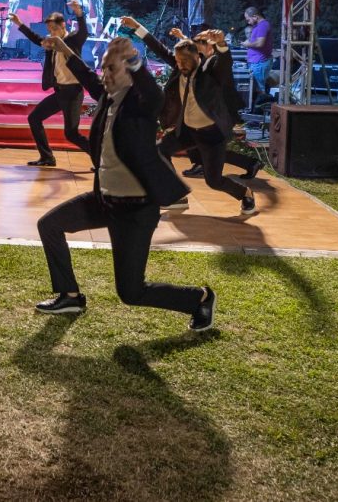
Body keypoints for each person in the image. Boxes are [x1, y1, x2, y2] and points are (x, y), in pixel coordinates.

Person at [32, 34, 217, 332]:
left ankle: (200, 299)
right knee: (49, 225)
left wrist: (133, 60)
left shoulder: (141, 104)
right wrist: (64, 48)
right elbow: (85, 74)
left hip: (135, 210)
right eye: (104, 68)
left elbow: (155, 96)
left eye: (111, 69)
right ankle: (70, 296)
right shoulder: (108, 97)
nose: (104, 74)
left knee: (132, 293)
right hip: (104, 200)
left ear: (129, 72)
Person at [122, 17, 256, 215]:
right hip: (187, 130)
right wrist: (137, 27)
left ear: (196, 56)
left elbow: (224, 63)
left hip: (212, 135)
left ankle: (245, 193)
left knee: (214, 181)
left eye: (184, 61)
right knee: (160, 151)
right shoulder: (180, 66)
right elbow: (159, 48)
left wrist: (221, 44)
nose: (180, 64)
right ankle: (176, 195)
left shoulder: (209, 71)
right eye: (177, 61)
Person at [169, 26, 262, 181]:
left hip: (221, 111)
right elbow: (190, 52)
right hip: (210, 112)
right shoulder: (203, 60)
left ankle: (248, 163)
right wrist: (182, 37)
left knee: (209, 148)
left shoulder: (215, 61)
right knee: (204, 144)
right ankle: (247, 163)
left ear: (209, 45)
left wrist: (221, 44)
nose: (194, 44)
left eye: (199, 41)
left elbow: (224, 60)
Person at [8, 0, 91, 167]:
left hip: (73, 92)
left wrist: (79, 13)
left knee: (71, 134)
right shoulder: (51, 42)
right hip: (60, 92)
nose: (51, 32)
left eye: (54, 28)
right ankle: (47, 157)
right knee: (34, 118)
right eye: (49, 29)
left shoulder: (73, 40)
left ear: (63, 25)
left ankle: (101, 158)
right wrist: (20, 24)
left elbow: (83, 31)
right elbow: (36, 38)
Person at [240, 6, 273, 105]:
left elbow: (260, 43)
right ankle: (256, 108)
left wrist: (247, 44)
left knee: (260, 90)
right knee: (257, 88)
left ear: (255, 16)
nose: (248, 22)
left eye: (248, 19)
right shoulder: (259, 26)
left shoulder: (263, 25)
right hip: (257, 62)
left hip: (260, 62)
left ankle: (259, 110)